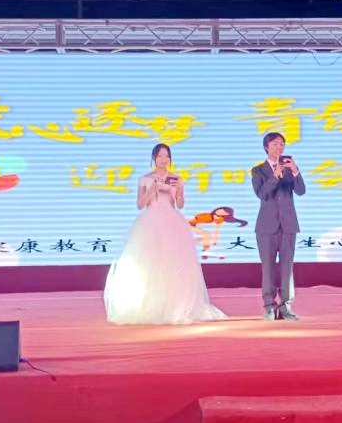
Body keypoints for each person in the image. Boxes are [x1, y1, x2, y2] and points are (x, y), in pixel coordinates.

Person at [104, 143, 227, 325]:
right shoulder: (144, 179)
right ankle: (149, 306)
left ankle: (174, 306)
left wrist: (178, 191)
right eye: (160, 156)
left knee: (173, 264)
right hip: (151, 223)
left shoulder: (176, 178)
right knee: (150, 263)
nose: (164, 159)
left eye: (167, 156)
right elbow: (140, 204)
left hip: (172, 222)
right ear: (154, 158)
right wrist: (152, 190)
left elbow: (180, 204)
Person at [251, 132, 306, 320]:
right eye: (275, 144)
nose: (279, 147)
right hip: (266, 226)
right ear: (266, 147)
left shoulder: (291, 169)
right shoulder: (258, 171)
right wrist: (275, 176)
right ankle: (269, 307)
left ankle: (285, 307)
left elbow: (301, 191)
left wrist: (295, 170)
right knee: (268, 268)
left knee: (287, 267)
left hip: (288, 225)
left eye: (282, 144)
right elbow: (262, 194)